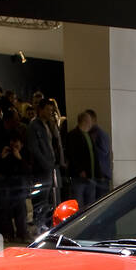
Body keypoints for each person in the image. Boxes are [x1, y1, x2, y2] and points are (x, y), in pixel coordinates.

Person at [25, 99, 58, 233]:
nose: (51, 112)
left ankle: (47, 224)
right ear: (41, 110)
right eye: (48, 110)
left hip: (49, 167)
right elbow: (34, 148)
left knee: (49, 198)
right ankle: (40, 225)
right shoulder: (34, 126)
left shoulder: (48, 125)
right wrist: (45, 163)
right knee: (41, 198)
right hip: (41, 169)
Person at [66, 110, 97, 208]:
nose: (91, 123)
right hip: (79, 177)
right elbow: (72, 155)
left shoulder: (88, 135)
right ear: (84, 121)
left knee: (90, 204)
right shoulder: (73, 135)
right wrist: (80, 170)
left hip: (90, 176)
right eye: (89, 120)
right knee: (78, 204)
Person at [87, 108, 112, 197]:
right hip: (98, 175)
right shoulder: (92, 133)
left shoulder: (100, 134)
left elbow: (104, 152)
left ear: (93, 120)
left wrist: (91, 146)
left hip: (102, 175)